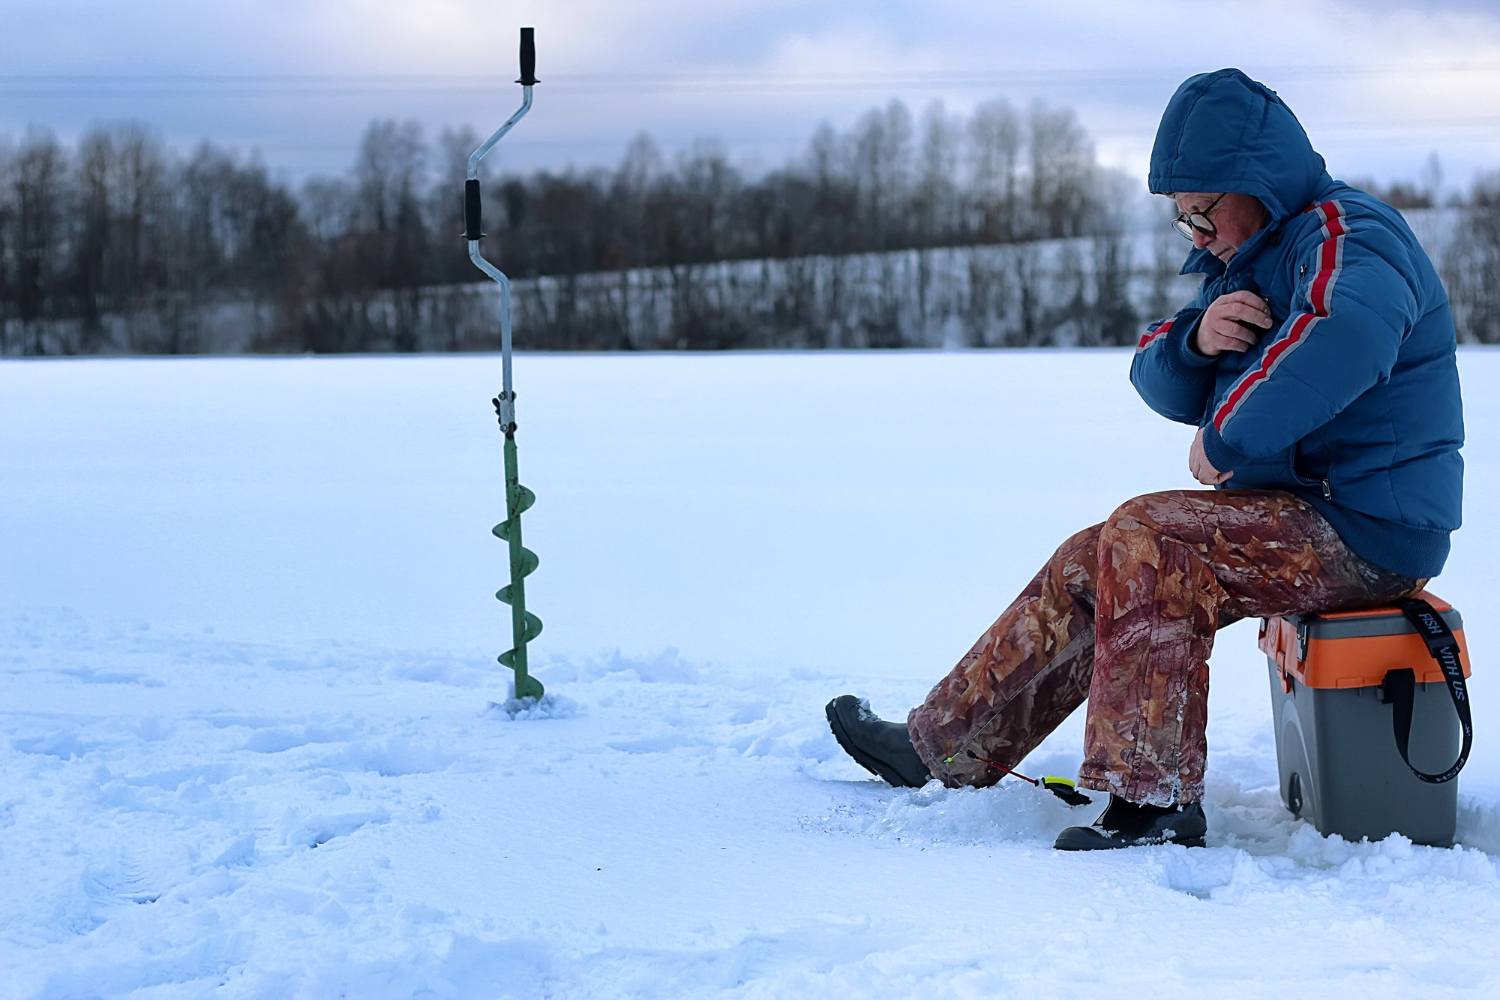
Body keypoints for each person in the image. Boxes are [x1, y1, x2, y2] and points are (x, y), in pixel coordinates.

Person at [825, 68, 1464, 850]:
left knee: (1152, 537)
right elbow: (1155, 373)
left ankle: (1154, 800)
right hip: (1306, 514)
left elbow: (1341, 339)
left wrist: (1225, 434)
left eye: (1202, 211)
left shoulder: (1351, 238)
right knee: (1092, 557)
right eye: (1179, 219)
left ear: (1254, 182)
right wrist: (1199, 341)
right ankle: (942, 750)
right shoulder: (1253, 260)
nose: (1194, 233)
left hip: (1369, 528)